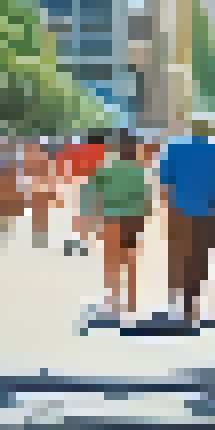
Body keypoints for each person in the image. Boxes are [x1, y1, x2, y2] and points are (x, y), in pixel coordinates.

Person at [158, 118, 215, 324]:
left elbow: (165, 183)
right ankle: (192, 301)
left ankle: (178, 296)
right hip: (206, 213)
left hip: (179, 211)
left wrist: (168, 209)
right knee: (199, 257)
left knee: (178, 253)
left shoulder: (174, 149)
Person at [85, 133, 152, 318]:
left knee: (112, 260)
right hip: (134, 219)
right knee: (130, 259)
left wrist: (94, 219)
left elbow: (96, 194)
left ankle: (114, 300)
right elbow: (146, 198)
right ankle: (131, 301)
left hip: (113, 218)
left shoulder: (108, 169)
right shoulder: (140, 170)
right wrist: (144, 218)